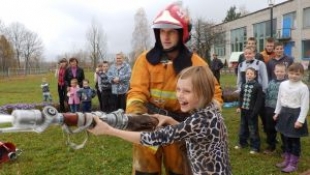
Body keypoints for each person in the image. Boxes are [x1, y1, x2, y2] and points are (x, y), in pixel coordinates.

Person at [125, 3, 223, 175]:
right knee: (144, 171)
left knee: (179, 171)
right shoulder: (144, 60)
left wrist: (199, 123)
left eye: (171, 31)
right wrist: (137, 116)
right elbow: (137, 91)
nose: (166, 36)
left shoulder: (197, 64)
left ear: (181, 33)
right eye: (162, 31)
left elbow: (214, 95)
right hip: (150, 125)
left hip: (180, 128)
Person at [89, 66, 231, 175]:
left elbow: (152, 138)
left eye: (186, 91)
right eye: (178, 89)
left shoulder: (199, 121)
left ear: (202, 93)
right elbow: (191, 132)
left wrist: (109, 130)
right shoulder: (211, 113)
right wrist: (169, 119)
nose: (179, 95)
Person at [273, 63, 309, 173]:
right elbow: (279, 99)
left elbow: (305, 105)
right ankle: (287, 160)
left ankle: (293, 163)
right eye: (291, 73)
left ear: (302, 75)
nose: (294, 76)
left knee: (294, 140)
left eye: (297, 74)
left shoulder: (303, 88)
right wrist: (277, 112)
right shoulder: (283, 84)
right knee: (286, 138)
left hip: (295, 115)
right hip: (284, 113)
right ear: (288, 73)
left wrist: (300, 120)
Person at [235, 67, 263, 154]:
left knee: (253, 129)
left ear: (255, 75)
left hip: (252, 112)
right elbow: (241, 97)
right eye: (247, 73)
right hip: (244, 111)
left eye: (251, 74)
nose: (249, 75)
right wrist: (239, 107)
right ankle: (243, 143)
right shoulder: (243, 85)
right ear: (245, 75)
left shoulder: (258, 86)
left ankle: (255, 147)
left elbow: (259, 101)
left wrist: (255, 112)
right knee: (243, 127)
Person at [263, 63, 287, 154]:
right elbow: (267, 94)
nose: (279, 73)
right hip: (269, 109)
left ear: (285, 72)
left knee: (283, 130)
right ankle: (271, 146)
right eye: (277, 71)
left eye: (281, 71)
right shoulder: (271, 82)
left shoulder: (286, 84)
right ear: (274, 71)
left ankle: (285, 148)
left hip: (282, 110)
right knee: (270, 128)